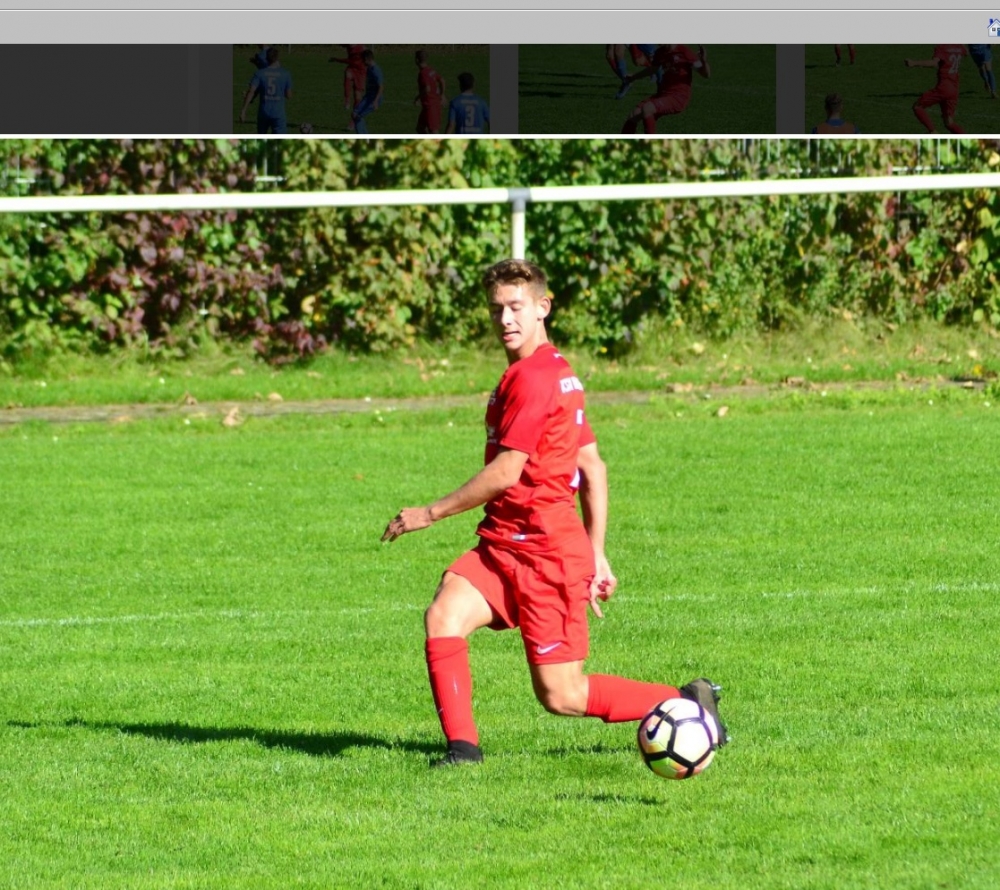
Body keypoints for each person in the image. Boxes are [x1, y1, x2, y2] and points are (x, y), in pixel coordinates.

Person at [381, 258, 728, 767]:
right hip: (505, 544)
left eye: (516, 307)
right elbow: (593, 466)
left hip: (545, 556)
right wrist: (598, 552)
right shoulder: (558, 373)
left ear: (543, 307)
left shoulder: (535, 379)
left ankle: (683, 700)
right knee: (444, 615)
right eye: (496, 309)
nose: (505, 319)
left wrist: (428, 514)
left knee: (561, 695)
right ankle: (463, 752)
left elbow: (507, 471)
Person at [621, 44, 710, 134]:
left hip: (678, 97)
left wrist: (704, 61)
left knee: (647, 109)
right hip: (663, 94)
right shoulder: (660, 52)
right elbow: (652, 69)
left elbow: (706, 74)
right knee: (633, 115)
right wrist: (634, 77)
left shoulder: (684, 52)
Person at [905, 44, 968, 134]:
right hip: (954, 89)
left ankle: (933, 132)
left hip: (943, 88)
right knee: (949, 123)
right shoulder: (959, 46)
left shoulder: (942, 47)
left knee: (917, 107)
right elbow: (966, 52)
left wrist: (914, 63)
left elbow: (934, 63)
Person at [239, 46, 292, 135]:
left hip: (263, 112)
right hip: (278, 113)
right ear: (277, 58)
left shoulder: (260, 73)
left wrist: (243, 110)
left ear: (266, 58)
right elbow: (288, 96)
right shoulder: (285, 74)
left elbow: (251, 92)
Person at [329, 44, 367, 131]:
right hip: (352, 67)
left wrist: (336, 59)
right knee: (348, 73)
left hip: (360, 71)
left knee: (357, 98)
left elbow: (351, 60)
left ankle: (353, 121)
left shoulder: (361, 47)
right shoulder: (348, 45)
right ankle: (347, 100)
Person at [352, 49, 384, 135]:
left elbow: (381, 87)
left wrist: (376, 101)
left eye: (363, 60)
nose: (362, 62)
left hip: (374, 99)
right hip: (368, 97)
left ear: (367, 59)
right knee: (354, 114)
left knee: (357, 117)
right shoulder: (369, 68)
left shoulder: (376, 71)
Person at [414, 49, 447, 134]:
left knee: (433, 131)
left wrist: (418, 98)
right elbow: (442, 80)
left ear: (416, 60)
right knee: (420, 128)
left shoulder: (423, 73)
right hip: (428, 105)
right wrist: (442, 95)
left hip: (431, 105)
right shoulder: (431, 70)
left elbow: (427, 89)